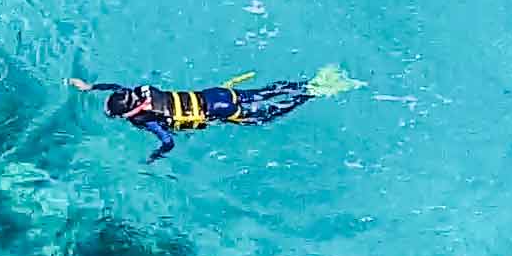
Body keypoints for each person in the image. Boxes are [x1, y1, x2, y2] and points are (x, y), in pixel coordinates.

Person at [70, 68, 355, 161]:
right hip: (214, 94)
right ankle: (305, 84)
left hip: (218, 110)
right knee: (261, 93)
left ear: (127, 113)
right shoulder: (137, 92)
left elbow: (168, 142)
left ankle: (308, 95)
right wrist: (90, 87)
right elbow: (115, 86)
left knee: (266, 117)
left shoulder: (144, 118)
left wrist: (155, 157)